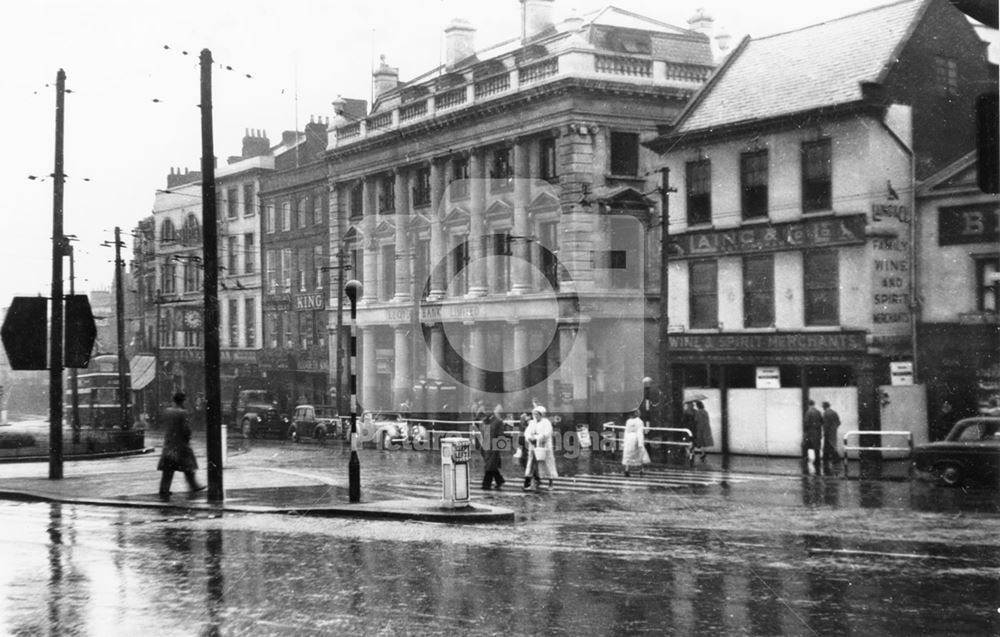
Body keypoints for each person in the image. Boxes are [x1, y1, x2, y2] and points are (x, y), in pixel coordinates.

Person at [157, 392, 205, 500]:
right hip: (180, 445)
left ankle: (164, 489)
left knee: (168, 470)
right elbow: (186, 429)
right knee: (188, 466)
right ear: (183, 401)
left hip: (169, 444)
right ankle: (194, 485)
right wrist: (187, 437)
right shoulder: (183, 413)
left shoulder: (167, 412)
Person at [523, 406, 558, 490]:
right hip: (533, 446)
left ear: (541, 414)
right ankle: (529, 483)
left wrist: (536, 438)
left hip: (545, 446)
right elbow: (527, 432)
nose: (535, 416)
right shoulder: (532, 423)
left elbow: (547, 433)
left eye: (537, 414)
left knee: (548, 463)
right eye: (534, 414)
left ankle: (551, 483)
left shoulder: (546, 423)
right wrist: (529, 438)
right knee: (531, 463)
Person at [479, 404, 506, 489]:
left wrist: (498, 448)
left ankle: (486, 485)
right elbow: (483, 435)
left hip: (494, 447)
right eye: (485, 410)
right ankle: (499, 480)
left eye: (488, 410)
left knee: (490, 466)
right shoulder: (484, 422)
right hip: (486, 447)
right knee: (490, 465)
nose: (486, 412)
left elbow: (501, 435)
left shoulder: (498, 421)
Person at [621, 409, 650, 477]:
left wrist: (624, 441)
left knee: (628, 455)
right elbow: (640, 432)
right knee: (640, 455)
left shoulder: (628, 421)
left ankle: (627, 469)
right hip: (636, 439)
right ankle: (641, 470)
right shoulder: (640, 422)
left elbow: (626, 431)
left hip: (628, 439)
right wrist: (640, 443)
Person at [802, 400, 823, 464]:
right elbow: (822, 421)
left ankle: (806, 459)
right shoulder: (818, 412)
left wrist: (805, 431)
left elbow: (806, 423)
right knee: (817, 446)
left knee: (805, 445)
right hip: (817, 432)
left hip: (810, 432)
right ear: (814, 404)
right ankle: (817, 459)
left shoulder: (808, 412)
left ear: (809, 405)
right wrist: (817, 426)